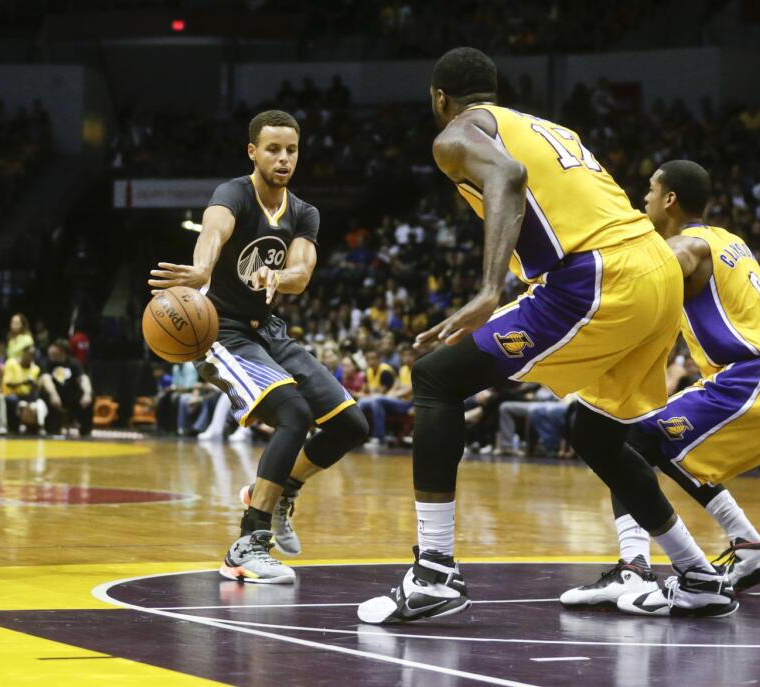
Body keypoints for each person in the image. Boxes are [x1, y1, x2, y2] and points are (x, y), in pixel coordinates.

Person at [358, 48, 728, 623]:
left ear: (439, 99)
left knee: (434, 377)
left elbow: (507, 174)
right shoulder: (547, 126)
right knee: (598, 433)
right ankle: (698, 575)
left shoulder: (455, 132)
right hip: (656, 270)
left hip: (600, 275)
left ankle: (433, 572)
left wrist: (488, 290)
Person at [561, 161, 760, 613]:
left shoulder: (685, 248)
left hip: (756, 375)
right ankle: (749, 547)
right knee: (661, 448)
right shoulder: (733, 244)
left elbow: (630, 283)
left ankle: (639, 567)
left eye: (649, 190)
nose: (643, 199)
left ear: (669, 199)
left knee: (627, 440)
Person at [149, 109, 368, 584]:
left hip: (266, 328)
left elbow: (303, 273)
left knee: (351, 424)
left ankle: (281, 488)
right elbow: (214, 231)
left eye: (291, 149)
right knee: (294, 414)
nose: (284, 158)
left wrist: (279, 275)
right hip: (220, 330)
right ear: (253, 152)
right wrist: (203, 269)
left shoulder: (304, 212)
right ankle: (247, 545)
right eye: (273, 149)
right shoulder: (234, 194)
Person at [40, 339, 92, 437]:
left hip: (70, 396)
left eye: (53, 349)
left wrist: (87, 394)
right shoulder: (47, 362)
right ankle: (51, 429)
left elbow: (83, 378)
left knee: (88, 398)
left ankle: (85, 432)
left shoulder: (73, 363)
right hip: (54, 396)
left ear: (61, 351)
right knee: (46, 396)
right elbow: (46, 379)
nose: (50, 351)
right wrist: (53, 394)